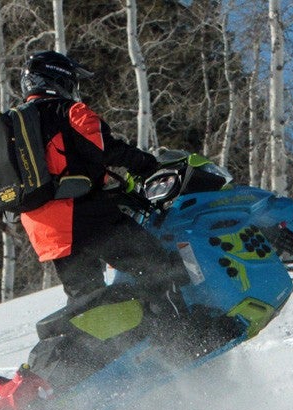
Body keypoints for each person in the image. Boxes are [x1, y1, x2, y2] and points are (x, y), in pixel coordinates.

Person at [16, 50, 190, 306]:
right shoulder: (69, 111)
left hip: (44, 227)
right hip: (84, 216)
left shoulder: (16, 127)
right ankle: (183, 335)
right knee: (158, 265)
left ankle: (106, 345)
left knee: (89, 301)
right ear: (59, 79)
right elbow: (106, 149)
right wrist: (146, 164)